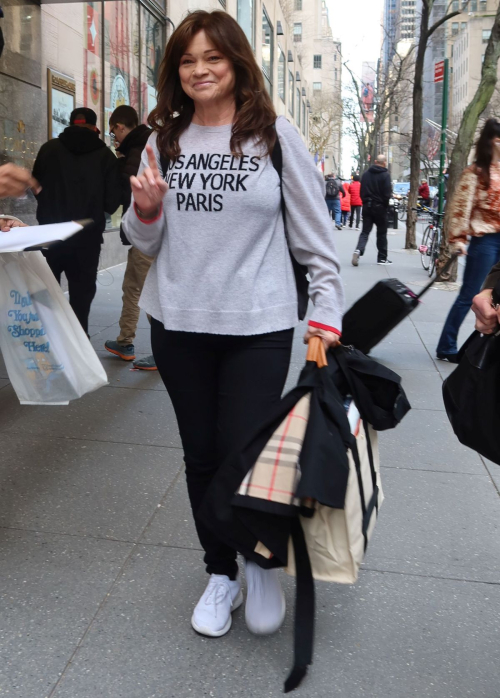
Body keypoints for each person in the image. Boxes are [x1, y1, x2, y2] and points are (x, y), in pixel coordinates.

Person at [122, 10, 344, 640]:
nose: (200, 70)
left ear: (237, 61)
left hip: (259, 323)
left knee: (249, 455)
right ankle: (221, 572)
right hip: (179, 320)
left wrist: (325, 312)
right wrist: (145, 211)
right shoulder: (162, 139)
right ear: (176, 71)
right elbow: (145, 241)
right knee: (201, 456)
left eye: (211, 58)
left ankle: (260, 560)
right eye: (187, 61)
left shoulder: (274, 134)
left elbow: (315, 238)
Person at [32, 108, 121, 335]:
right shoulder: (106, 156)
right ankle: (78, 342)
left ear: (70, 124)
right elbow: (112, 203)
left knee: (46, 293)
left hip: (50, 236)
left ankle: (49, 341)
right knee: (81, 299)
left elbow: (36, 188)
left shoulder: (48, 149)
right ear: (94, 127)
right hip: (86, 238)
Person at [436, 119, 500, 362]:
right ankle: (446, 345)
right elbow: (460, 207)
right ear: (495, 141)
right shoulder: (474, 173)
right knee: (471, 294)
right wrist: (458, 239)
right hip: (485, 242)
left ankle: (488, 349)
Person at [104, 105, 157, 370]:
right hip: (152, 231)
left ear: (121, 127)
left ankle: (134, 344)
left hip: (146, 232)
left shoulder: (137, 150)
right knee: (139, 289)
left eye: (114, 130)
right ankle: (126, 341)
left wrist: (119, 161)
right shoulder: (147, 143)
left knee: (139, 290)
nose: (114, 136)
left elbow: (127, 188)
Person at [351, 154, 393, 266]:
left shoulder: (365, 175)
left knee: (365, 231)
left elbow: (362, 191)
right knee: (382, 233)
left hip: (367, 207)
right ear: (384, 163)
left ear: (375, 161)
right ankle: (382, 258)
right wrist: (385, 205)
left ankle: (358, 250)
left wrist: (365, 201)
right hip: (380, 207)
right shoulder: (385, 175)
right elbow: (387, 194)